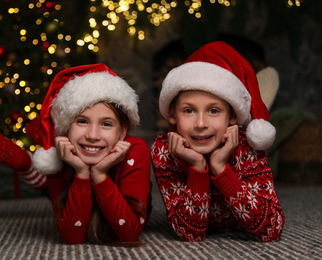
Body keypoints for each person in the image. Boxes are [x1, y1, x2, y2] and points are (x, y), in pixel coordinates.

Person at [150, 41, 284, 242]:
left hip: (236, 133)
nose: (201, 123)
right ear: (172, 114)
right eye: (189, 110)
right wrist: (197, 166)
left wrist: (221, 169)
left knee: (249, 129)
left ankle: (254, 107)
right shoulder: (164, 150)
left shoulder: (248, 148)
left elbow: (271, 229)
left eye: (213, 110)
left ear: (231, 116)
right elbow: (189, 233)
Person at [29, 64, 151, 245]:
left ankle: (27, 161)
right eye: (82, 121)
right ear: (67, 127)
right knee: (47, 184)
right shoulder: (59, 155)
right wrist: (81, 173)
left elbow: (129, 234)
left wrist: (100, 175)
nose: (93, 136)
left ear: (122, 132)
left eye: (107, 124)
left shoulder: (135, 149)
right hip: (72, 175)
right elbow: (72, 238)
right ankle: (27, 164)